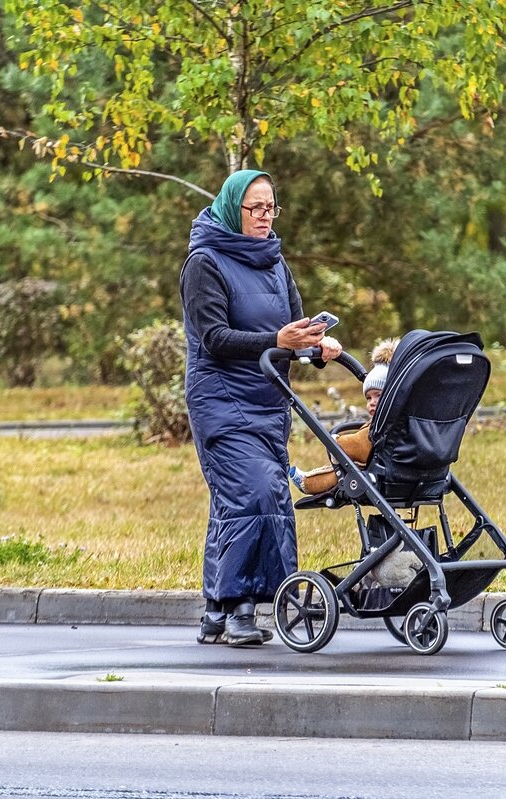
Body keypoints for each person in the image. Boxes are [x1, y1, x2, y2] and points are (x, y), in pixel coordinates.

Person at [180, 169, 341, 647]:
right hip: (219, 398)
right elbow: (214, 338)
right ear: (234, 208)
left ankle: (213, 611)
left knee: (234, 503)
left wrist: (316, 345)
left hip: (269, 402)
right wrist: (277, 340)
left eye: (271, 208)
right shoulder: (203, 263)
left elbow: (293, 329)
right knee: (255, 493)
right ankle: (240, 611)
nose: (266, 217)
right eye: (256, 208)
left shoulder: (274, 262)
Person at [288, 338, 399, 495]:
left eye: (378, 396)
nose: (372, 403)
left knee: (346, 469)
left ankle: (309, 482)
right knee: (351, 467)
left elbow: (358, 445)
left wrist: (337, 442)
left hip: (385, 468)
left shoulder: (380, 428)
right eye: (368, 398)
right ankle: (309, 479)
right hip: (410, 469)